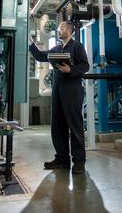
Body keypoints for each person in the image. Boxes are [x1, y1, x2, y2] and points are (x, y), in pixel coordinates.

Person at [29, 21, 90, 174]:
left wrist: (71, 69)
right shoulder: (56, 49)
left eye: (61, 28)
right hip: (57, 91)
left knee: (75, 126)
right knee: (57, 127)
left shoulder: (77, 47)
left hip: (72, 91)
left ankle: (79, 161)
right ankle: (62, 159)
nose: (58, 30)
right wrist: (30, 42)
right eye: (58, 28)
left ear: (69, 31)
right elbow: (40, 56)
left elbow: (85, 66)